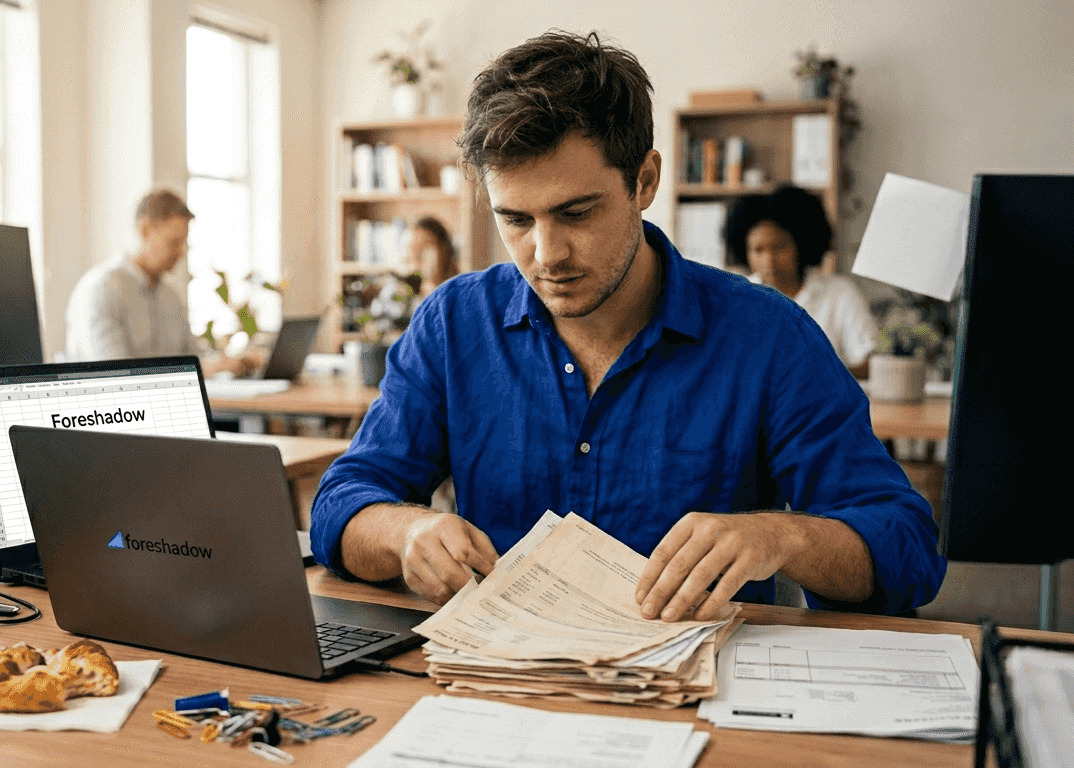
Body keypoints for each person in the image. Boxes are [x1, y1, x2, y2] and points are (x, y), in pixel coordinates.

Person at [310, 31, 944, 622]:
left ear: (645, 180)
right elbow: (342, 503)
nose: (546, 254)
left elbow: (908, 547)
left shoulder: (768, 337)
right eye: (517, 220)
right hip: (494, 683)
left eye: (576, 212)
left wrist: (784, 535)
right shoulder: (453, 324)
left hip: (692, 700)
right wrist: (406, 534)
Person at [63, 189, 257, 375]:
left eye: (184, 243)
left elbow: (195, 358)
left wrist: (230, 363)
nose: (181, 252)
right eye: (174, 242)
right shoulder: (101, 290)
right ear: (145, 230)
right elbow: (113, 374)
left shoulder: (170, 296)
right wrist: (199, 370)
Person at [725, 186, 877, 376]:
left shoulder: (839, 293)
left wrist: (818, 374)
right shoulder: (735, 299)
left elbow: (872, 363)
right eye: (758, 250)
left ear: (801, 244)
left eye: (779, 247)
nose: (769, 260)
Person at [402, 216, 460, 297]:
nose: (417, 256)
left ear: (444, 249)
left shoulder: (457, 290)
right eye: (414, 247)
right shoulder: (410, 291)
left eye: (426, 246)